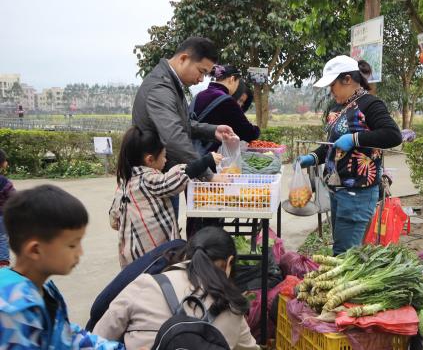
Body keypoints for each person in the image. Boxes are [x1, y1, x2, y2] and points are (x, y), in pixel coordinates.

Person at [297, 56, 403, 255]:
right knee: (341, 247)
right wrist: (312, 157)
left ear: (347, 79)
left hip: (358, 192)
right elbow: (332, 145)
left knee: (345, 253)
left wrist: (355, 139)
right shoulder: (338, 108)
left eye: (333, 85)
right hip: (338, 189)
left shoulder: (370, 104)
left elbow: (393, 135)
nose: (331, 91)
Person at [93, 227, 259, 350]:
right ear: (229, 262)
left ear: (187, 253)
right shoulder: (233, 308)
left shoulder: (145, 284)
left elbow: (97, 338)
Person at [0, 185, 123, 349]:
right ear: (35, 250)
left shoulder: (45, 288)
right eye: (72, 245)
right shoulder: (15, 309)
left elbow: (65, 335)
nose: (80, 252)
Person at [131, 37, 235, 226]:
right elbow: (173, 136)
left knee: (168, 230)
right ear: (183, 59)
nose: (201, 79)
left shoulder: (172, 83)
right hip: (154, 179)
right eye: (201, 71)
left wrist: (213, 131)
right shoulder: (160, 87)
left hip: (165, 172)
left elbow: (183, 123)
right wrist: (208, 174)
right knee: (159, 236)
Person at [109, 126, 222, 268]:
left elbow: (113, 220)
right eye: (163, 156)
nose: (166, 159)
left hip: (132, 252)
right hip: (152, 254)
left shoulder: (125, 182)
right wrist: (206, 160)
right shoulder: (148, 179)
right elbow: (172, 180)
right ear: (150, 159)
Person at [191, 64, 260, 153]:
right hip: (206, 156)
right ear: (232, 79)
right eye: (238, 83)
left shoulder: (199, 95)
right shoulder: (226, 101)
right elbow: (249, 133)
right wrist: (257, 129)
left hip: (189, 147)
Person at [0, 149, 15, 267]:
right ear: (3, 163)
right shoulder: (4, 182)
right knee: (2, 239)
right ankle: (3, 265)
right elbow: (14, 198)